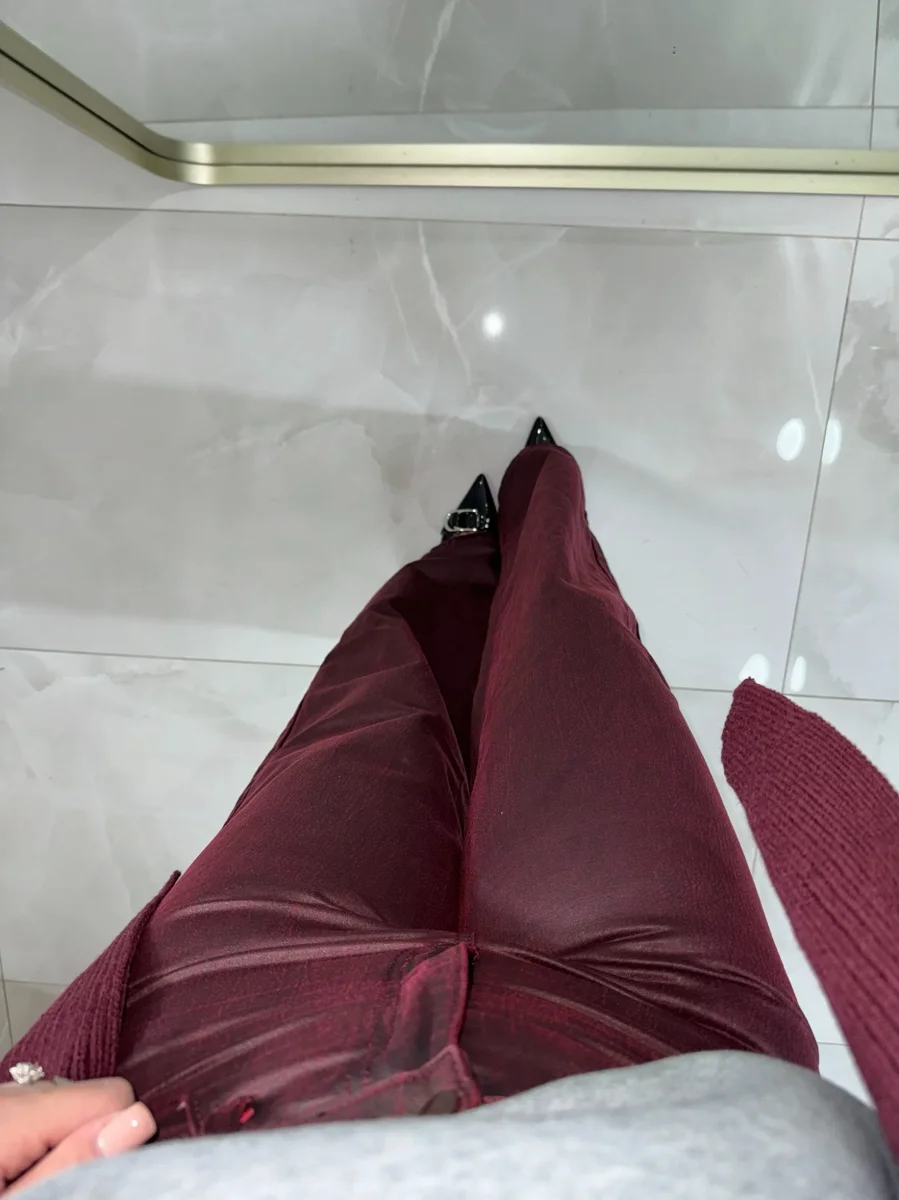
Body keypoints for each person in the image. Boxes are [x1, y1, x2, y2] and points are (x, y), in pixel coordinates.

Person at [2, 421, 898, 1198]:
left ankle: (465, 555)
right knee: (574, 646)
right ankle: (545, 510)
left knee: (378, 691)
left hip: (216, 1032)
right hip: (667, 1037)